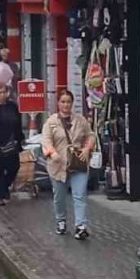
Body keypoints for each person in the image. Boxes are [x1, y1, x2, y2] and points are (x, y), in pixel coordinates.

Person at [42, 89, 96, 239]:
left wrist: (87, 148)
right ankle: (61, 221)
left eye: (68, 102)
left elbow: (91, 135)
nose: (66, 105)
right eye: (63, 102)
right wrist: (52, 153)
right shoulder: (51, 122)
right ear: (58, 103)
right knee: (59, 196)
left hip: (78, 163)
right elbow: (46, 140)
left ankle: (81, 226)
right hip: (58, 166)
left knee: (79, 195)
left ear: (72, 103)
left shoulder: (80, 120)